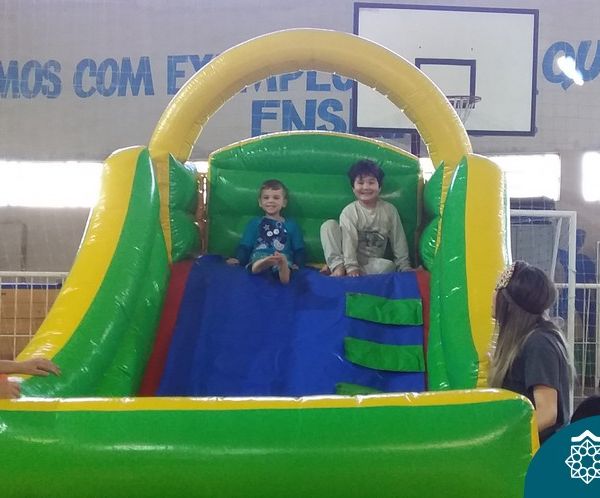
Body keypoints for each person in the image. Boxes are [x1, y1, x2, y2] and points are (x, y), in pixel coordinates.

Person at [489, 260, 573, 444]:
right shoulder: (527, 339)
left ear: (509, 303)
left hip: (542, 452)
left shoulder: (538, 343)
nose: (493, 295)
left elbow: (547, 413)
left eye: (497, 289)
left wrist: (500, 437)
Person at [320, 159, 412, 277]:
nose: (366, 187)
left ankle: (343, 271)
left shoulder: (389, 210)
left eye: (371, 182)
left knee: (389, 266)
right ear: (353, 188)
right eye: (361, 182)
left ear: (379, 187)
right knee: (328, 226)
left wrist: (404, 266)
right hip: (347, 259)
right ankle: (338, 267)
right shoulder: (349, 212)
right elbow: (349, 241)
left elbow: (399, 240)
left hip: (369, 264)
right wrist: (351, 267)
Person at [226, 179, 305, 284]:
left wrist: (298, 264)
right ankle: (261, 265)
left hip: (281, 258)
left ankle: (283, 272)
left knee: (284, 265)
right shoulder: (254, 223)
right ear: (260, 202)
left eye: (276, 198)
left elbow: (299, 249)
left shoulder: (292, 225)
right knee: (255, 264)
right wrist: (239, 259)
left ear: (284, 202)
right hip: (260, 256)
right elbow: (245, 246)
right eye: (266, 198)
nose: (270, 201)